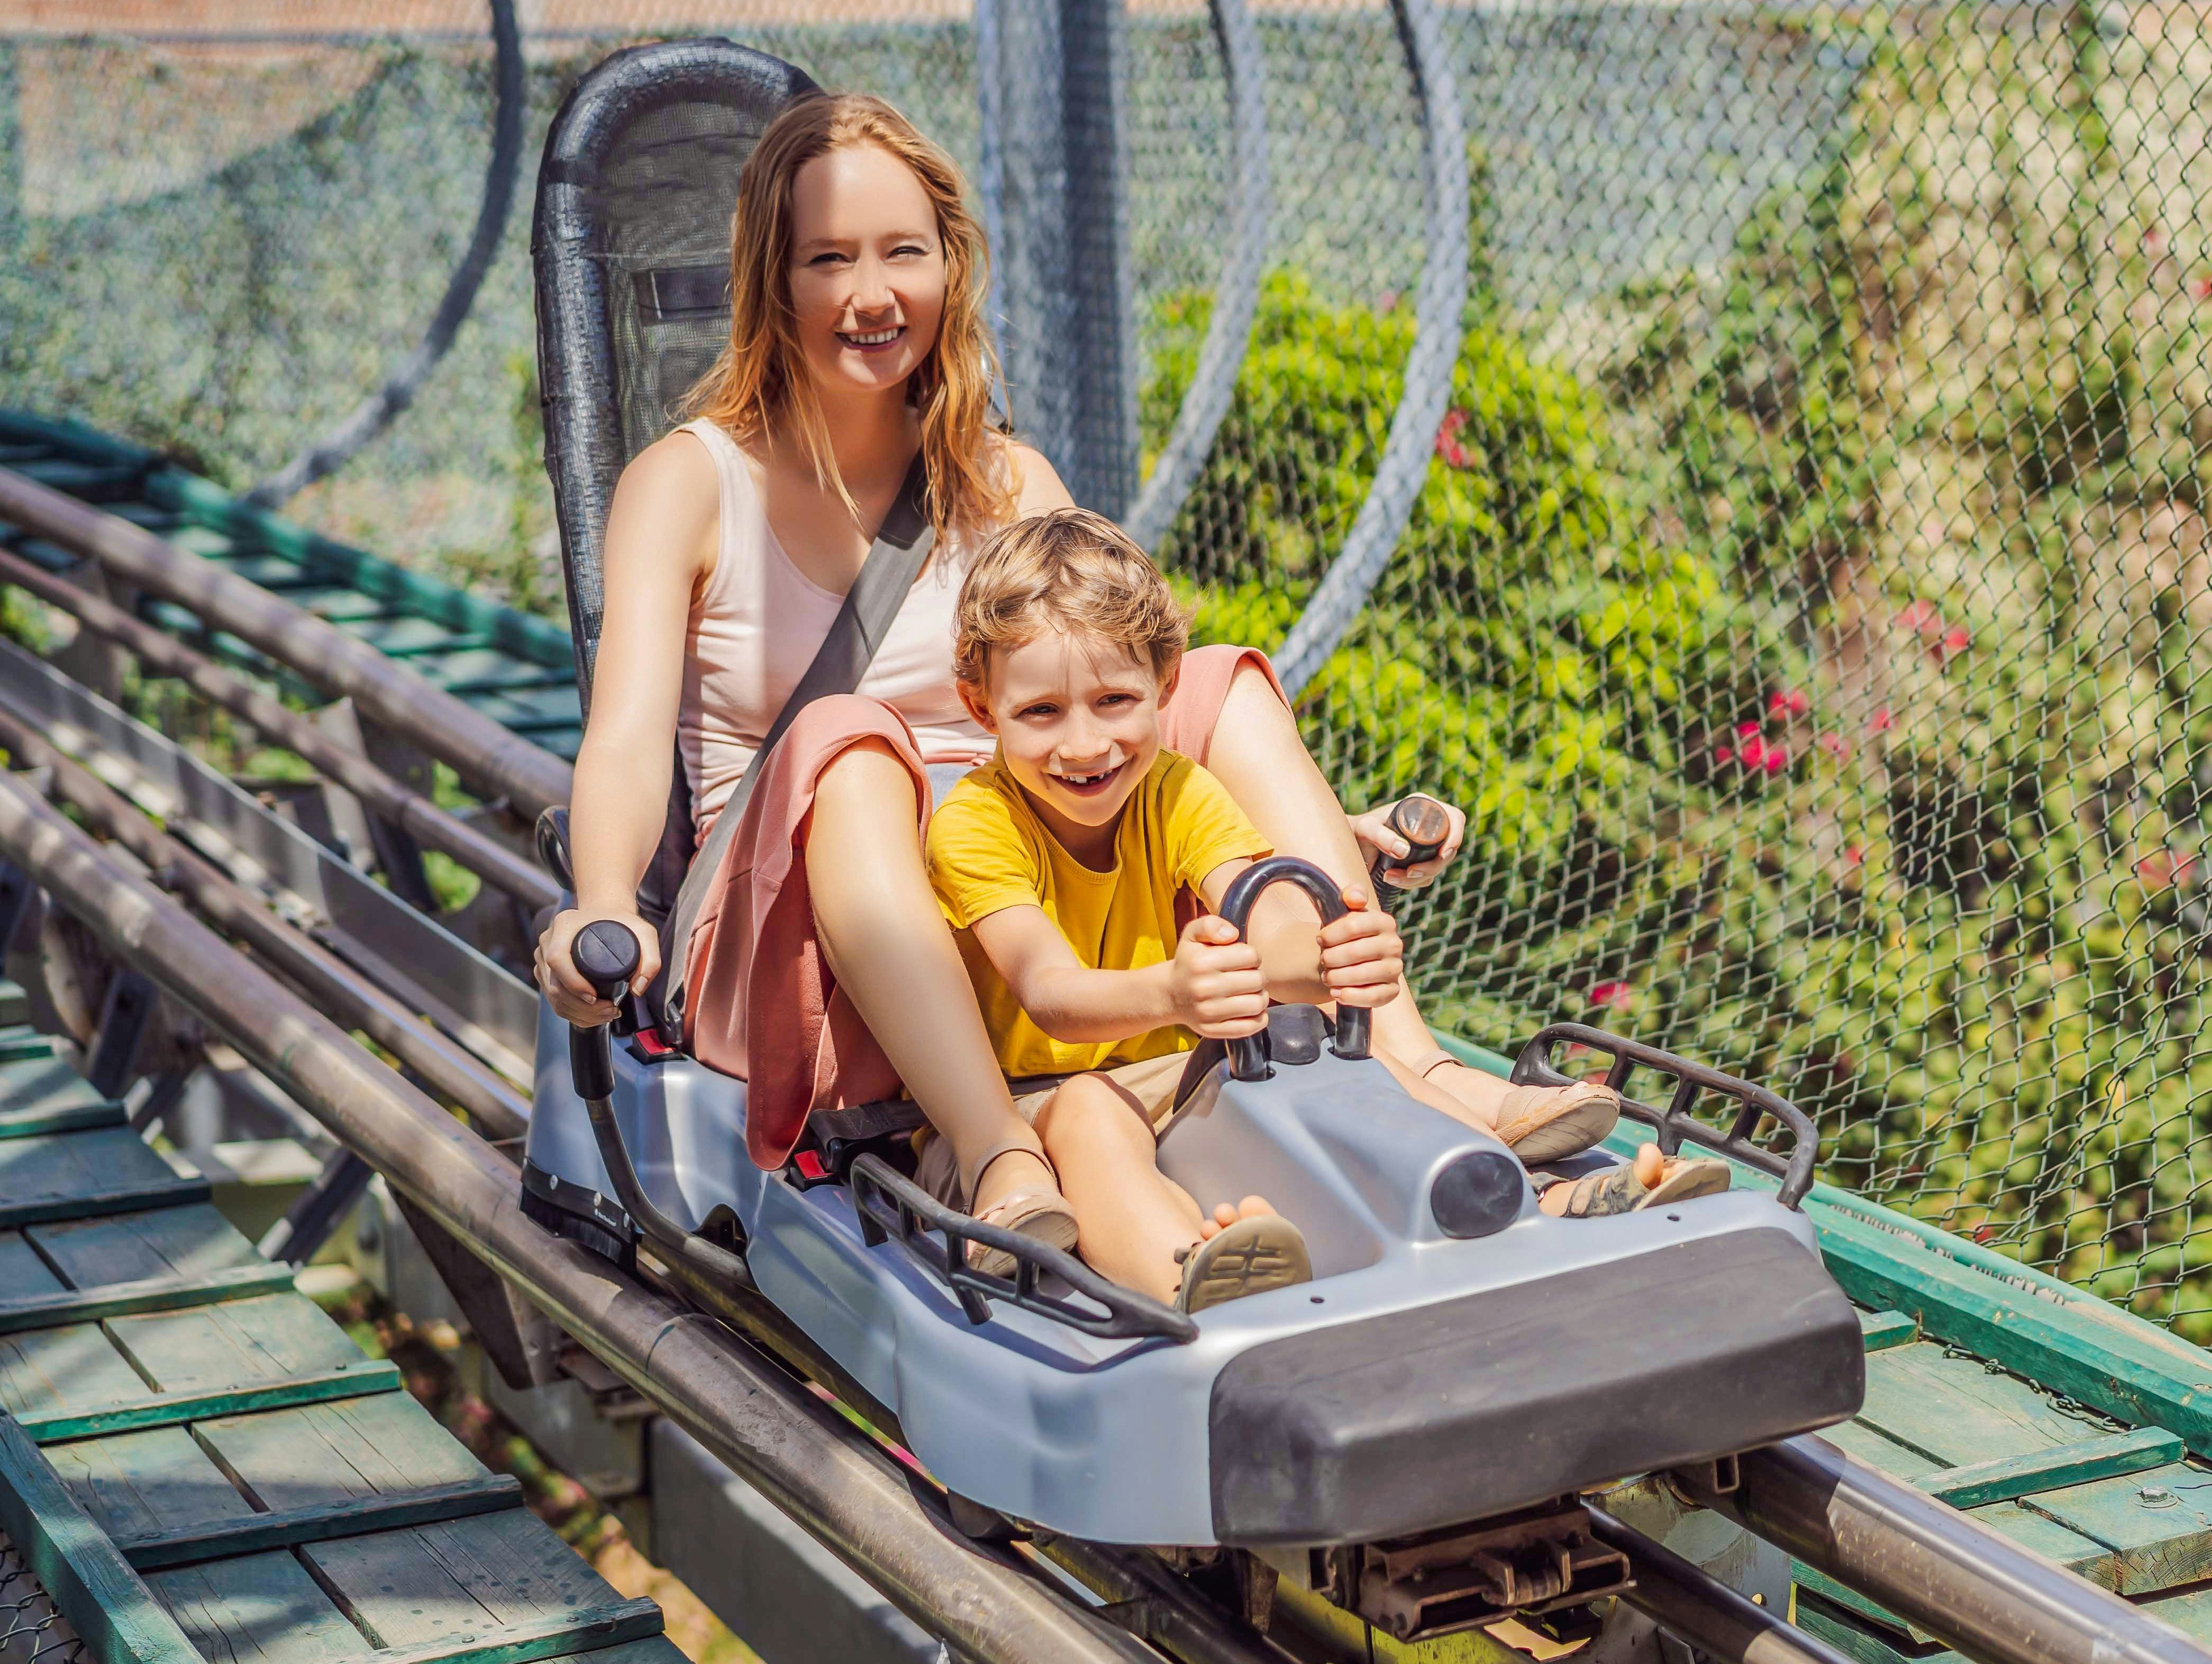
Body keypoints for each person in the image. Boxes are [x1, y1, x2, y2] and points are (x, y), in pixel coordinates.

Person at [531, 90, 1626, 1261]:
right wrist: (603, 900)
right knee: (853, 743)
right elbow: (628, 735)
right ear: (770, 279)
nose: (872, 293)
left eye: (904, 252)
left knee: (1215, 680)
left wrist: (1297, 825)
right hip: (803, 941)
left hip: (1030, 904)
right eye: (829, 259)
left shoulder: (1008, 480)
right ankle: (995, 1146)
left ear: (950, 266)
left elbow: (1122, 702)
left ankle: (1410, 1062)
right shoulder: (689, 483)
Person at [922, 509, 1734, 1310]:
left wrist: (1326, 959)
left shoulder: (1176, 791)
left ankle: (1527, 1197)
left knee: (1328, 1046)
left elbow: (1265, 907)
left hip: (1169, 1076)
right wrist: (1173, 990)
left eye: (1113, 700)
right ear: (982, 706)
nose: (1085, 744)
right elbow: (1049, 990)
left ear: (1164, 687)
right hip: (1026, 1108)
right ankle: (1188, 1273)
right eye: (1042, 712)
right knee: (1093, 1111)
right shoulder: (977, 822)